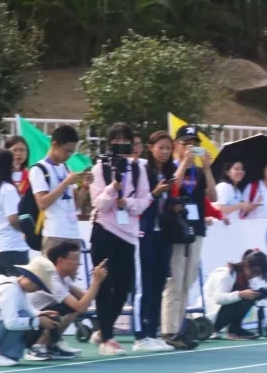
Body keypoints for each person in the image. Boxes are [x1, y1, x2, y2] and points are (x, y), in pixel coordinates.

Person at [89, 123, 151, 355]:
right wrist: (113, 187)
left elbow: (145, 201)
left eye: (127, 142)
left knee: (125, 286)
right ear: (110, 144)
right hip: (104, 230)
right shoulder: (100, 168)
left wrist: (129, 203)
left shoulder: (139, 169)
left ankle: (103, 329)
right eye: (117, 142)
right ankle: (107, 338)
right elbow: (99, 204)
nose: (122, 146)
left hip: (128, 233)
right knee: (105, 285)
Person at [160, 124, 218, 348]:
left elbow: (213, 196)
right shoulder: (172, 168)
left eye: (195, 144)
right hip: (177, 230)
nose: (191, 147)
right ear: (177, 145)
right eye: (187, 143)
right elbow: (172, 188)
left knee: (187, 282)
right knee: (174, 282)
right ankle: (169, 330)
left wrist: (207, 168)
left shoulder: (199, 172)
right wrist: (184, 162)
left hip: (196, 229)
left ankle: (179, 328)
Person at [132, 131, 177, 352]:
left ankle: (153, 331)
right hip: (145, 231)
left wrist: (175, 204)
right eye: (161, 148)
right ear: (150, 148)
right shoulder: (142, 170)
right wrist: (156, 193)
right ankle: (141, 334)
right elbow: (139, 200)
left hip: (164, 233)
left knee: (159, 282)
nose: (164, 152)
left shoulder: (169, 171)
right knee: (145, 283)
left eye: (168, 148)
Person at [0, 267, 62, 366]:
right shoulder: (11, 290)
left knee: (24, 316)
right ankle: (1, 356)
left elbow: (29, 310)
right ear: (27, 278)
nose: (37, 290)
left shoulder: (15, 286)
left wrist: (42, 314)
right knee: (21, 317)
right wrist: (38, 321)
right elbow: (11, 323)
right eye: (38, 286)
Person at [25, 243, 105, 360]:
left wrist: (98, 280)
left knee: (69, 307)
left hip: (35, 322)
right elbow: (80, 307)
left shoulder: (64, 278)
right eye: (74, 259)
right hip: (27, 327)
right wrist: (96, 282)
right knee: (69, 307)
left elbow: (85, 298)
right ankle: (37, 347)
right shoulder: (52, 280)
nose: (78, 263)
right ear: (60, 261)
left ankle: (53, 345)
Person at [29, 124, 87, 253]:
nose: (69, 155)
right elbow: (42, 203)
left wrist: (85, 186)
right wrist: (65, 183)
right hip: (54, 234)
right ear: (55, 144)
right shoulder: (38, 169)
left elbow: (76, 204)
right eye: (67, 150)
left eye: (72, 151)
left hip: (73, 233)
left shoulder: (67, 168)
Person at [203, 249, 267, 340]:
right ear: (246, 265)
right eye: (254, 271)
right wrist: (240, 294)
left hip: (217, 317)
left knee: (249, 296)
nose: (255, 275)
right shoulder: (225, 274)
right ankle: (223, 330)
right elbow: (218, 299)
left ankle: (235, 329)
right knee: (244, 297)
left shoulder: (241, 279)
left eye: (259, 273)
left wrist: (258, 295)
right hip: (206, 320)